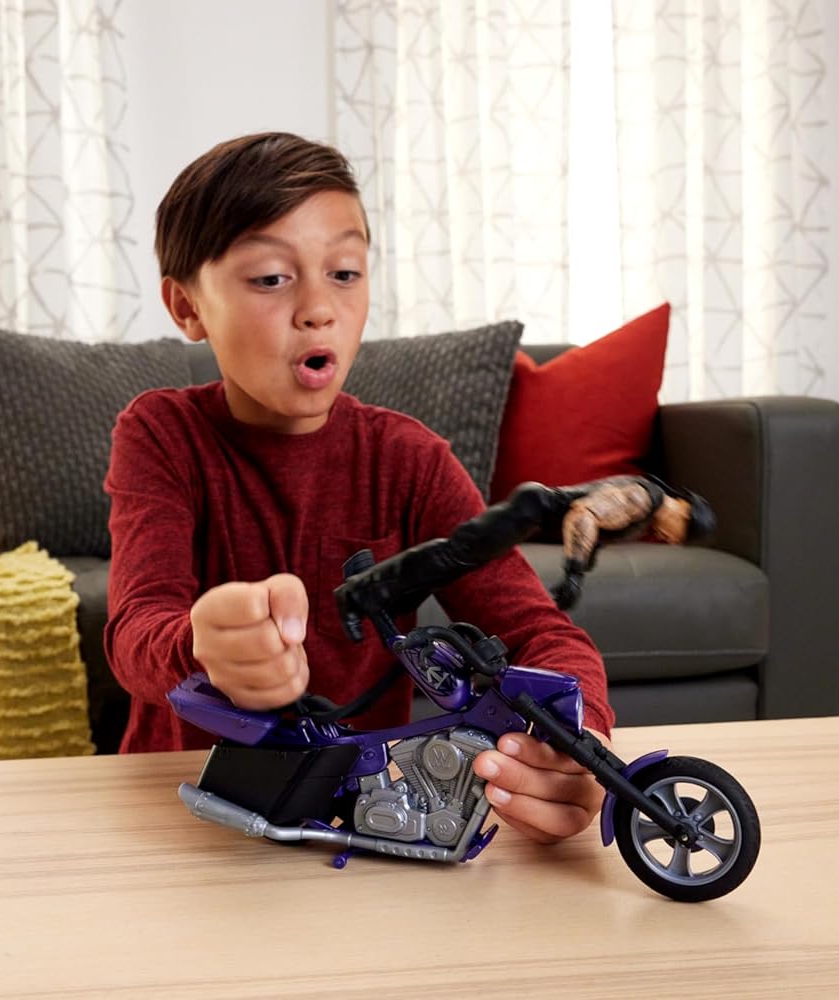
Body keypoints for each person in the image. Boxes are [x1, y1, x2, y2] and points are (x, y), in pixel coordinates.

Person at [104, 132, 664, 845]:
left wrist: (577, 743)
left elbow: (537, 631)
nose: (318, 308)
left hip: (362, 820)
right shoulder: (160, 434)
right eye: (272, 278)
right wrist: (202, 645)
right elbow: (134, 634)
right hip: (184, 814)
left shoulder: (409, 458)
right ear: (187, 306)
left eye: (344, 272)